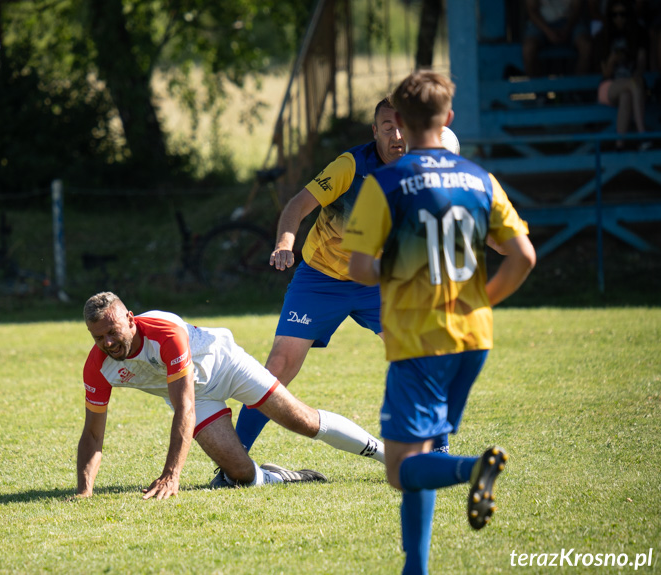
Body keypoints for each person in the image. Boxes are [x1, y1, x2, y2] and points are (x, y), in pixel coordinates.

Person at [343, 71, 536, 574]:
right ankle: (417, 567)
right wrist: (483, 302)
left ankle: (474, 468)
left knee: (400, 469)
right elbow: (524, 257)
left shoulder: (384, 183)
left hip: (417, 341)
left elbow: (359, 268)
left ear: (400, 123)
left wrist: (399, 264)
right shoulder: (479, 180)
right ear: (449, 119)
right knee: (421, 449)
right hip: (473, 340)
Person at [233, 98, 460, 459]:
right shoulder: (350, 167)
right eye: (387, 127)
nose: (396, 135)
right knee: (278, 367)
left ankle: (439, 454)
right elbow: (298, 205)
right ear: (375, 131)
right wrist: (285, 242)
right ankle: (234, 457)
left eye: (403, 127)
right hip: (321, 278)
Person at [75, 292, 386, 500]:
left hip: (228, 367)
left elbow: (184, 409)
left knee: (303, 421)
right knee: (240, 474)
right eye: (98, 337)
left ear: (130, 319)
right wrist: (84, 491)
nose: (109, 343)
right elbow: (92, 432)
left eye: (113, 331)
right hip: (198, 396)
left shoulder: (164, 332)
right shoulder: (97, 367)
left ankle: (392, 457)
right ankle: (278, 477)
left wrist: (171, 476)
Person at [595, 0, 651, 150]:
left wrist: (638, 63)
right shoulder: (603, 37)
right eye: (614, 15)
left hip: (632, 85)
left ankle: (619, 144)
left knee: (628, 93)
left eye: (623, 14)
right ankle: (642, 134)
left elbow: (640, 69)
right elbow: (605, 73)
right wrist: (612, 60)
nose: (619, 18)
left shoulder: (638, 35)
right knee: (632, 84)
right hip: (609, 87)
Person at [522, 0, 593, 76]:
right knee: (528, 49)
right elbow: (532, 11)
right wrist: (548, 31)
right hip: (540, 23)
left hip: (570, 22)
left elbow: (577, 9)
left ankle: (579, 85)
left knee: (586, 46)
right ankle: (537, 87)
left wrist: (567, 28)